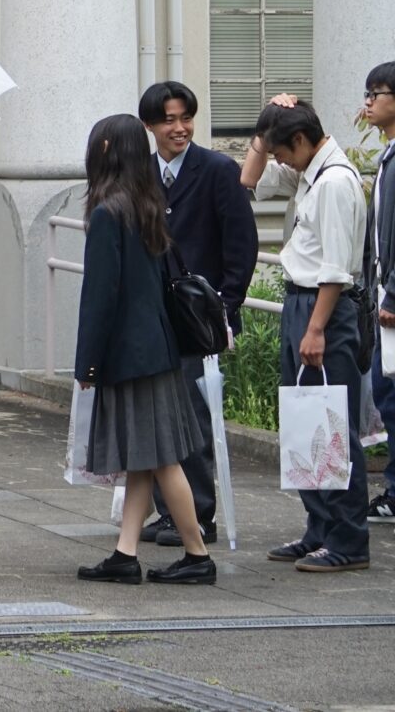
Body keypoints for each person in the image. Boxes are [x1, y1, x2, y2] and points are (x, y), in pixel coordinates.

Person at [72, 114, 213, 585]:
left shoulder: (108, 212)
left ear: (107, 146)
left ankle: (197, 555)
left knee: (162, 459)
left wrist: (86, 363)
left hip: (130, 356)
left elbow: (99, 296)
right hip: (157, 349)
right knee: (145, 458)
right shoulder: (146, 202)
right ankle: (124, 553)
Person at [241, 98, 373, 572]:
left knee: (332, 424)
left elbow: (336, 269)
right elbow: (249, 182)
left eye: (280, 150)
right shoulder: (308, 170)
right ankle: (319, 527)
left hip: (325, 308)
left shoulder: (335, 181)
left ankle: (348, 538)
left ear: (300, 141)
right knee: (305, 419)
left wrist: (316, 328)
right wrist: (265, 120)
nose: (277, 160)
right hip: (303, 301)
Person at [137, 80, 257, 549]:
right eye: (169, 119)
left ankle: (198, 516)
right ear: (150, 124)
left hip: (200, 320)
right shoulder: (141, 173)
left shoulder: (218, 171)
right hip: (153, 318)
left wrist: (225, 309)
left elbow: (241, 246)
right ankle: (169, 512)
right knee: (158, 417)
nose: (180, 128)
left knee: (193, 418)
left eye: (186, 118)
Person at [357, 65, 395, 527]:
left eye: (376, 93)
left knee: (390, 396)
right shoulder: (387, 156)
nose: (367, 102)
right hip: (382, 291)